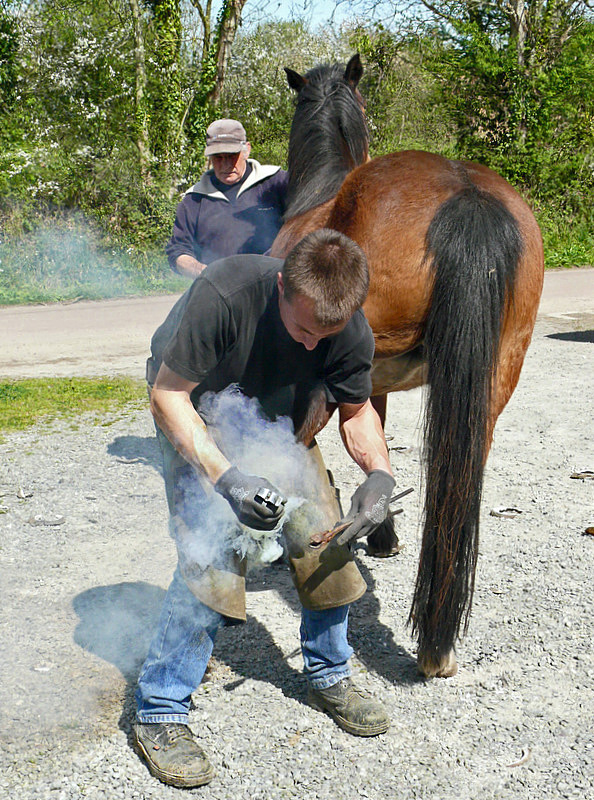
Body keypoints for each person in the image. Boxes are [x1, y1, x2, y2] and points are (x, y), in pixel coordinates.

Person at [136, 228, 396, 788]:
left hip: (282, 415)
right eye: (302, 328)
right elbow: (167, 395)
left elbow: (355, 412)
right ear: (282, 286)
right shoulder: (224, 293)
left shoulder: (345, 324)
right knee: (212, 546)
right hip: (195, 411)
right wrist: (227, 480)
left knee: (323, 533)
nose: (310, 344)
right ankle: (159, 709)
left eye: (322, 335)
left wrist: (379, 473)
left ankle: (329, 673)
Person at [166, 118, 289, 279]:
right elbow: (178, 251)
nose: (225, 164)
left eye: (231, 155)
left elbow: (306, 225)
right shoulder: (194, 199)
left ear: (247, 150)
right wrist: (206, 273)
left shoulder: (276, 182)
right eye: (218, 157)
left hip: (273, 286)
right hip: (217, 291)